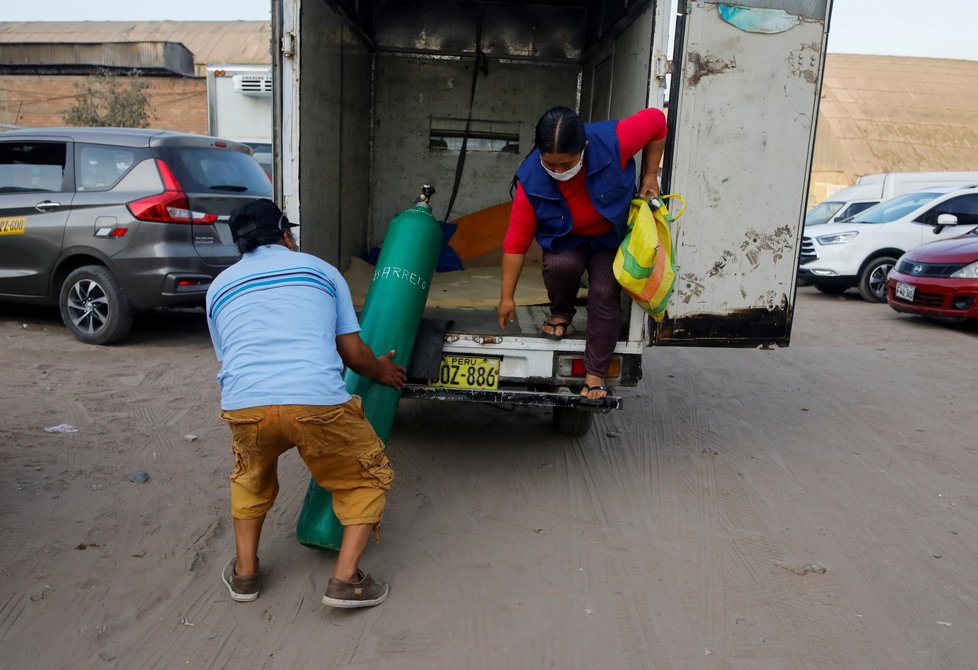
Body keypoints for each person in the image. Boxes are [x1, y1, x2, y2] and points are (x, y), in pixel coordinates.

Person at [205, 198, 406, 608]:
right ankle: (345, 580)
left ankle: (245, 576)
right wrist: (381, 372)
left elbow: (233, 360)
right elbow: (353, 353)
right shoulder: (320, 270)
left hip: (246, 406)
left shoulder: (218, 287)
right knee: (364, 478)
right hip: (316, 403)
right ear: (285, 234)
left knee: (250, 478)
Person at [496, 106, 667, 404]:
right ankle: (561, 311)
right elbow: (515, 244)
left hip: (607, 239)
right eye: (551, 164)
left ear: (584, 146)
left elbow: (657, 121)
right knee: (562, 265)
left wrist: (650, 174)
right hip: (567, 240)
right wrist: (506, 297)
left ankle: (595, 373)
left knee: (603, 291)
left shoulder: (615, 141)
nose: (559, 172)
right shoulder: (530, 180)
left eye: (567, 164)